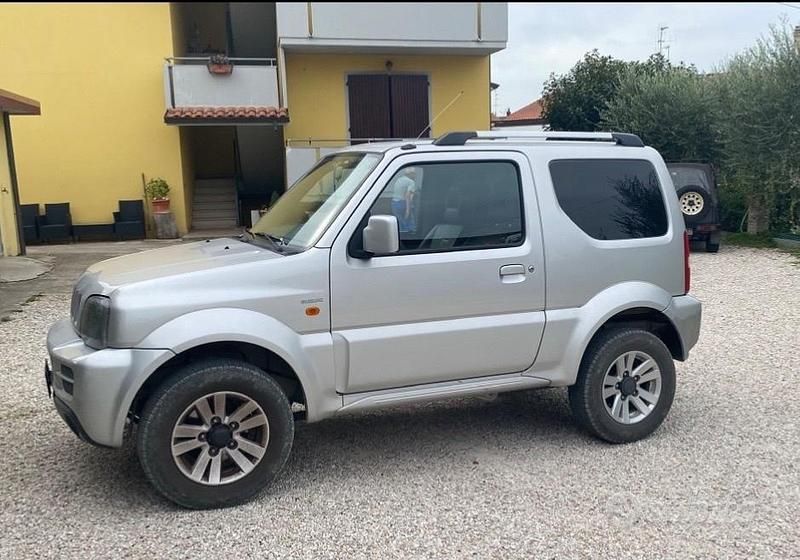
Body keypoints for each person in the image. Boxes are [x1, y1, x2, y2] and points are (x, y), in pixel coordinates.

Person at [391, 168, 418, 233]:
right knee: (409, 224)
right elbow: (408, 196)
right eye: (414, 174)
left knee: (399, 224)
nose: (415, 175)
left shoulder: (399, 180)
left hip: (394, 203)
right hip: (403, 204)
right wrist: (408, 210)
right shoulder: (411, 182)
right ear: (411, 174)